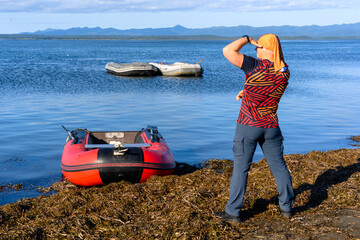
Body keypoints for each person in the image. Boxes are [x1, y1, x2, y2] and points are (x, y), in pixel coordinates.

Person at [214, 34, 295, 223]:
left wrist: (246, 38)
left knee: (241, 168)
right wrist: (247, 93)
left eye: (258, 47)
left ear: (266, 49)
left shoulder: (254, 65)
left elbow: (227, 51)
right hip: (271, 126)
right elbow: (267, 91)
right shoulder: (284, 71)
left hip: (248, 125)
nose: (255, 50)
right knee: (279, 166)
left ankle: (233, 212)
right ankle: (286, 208)